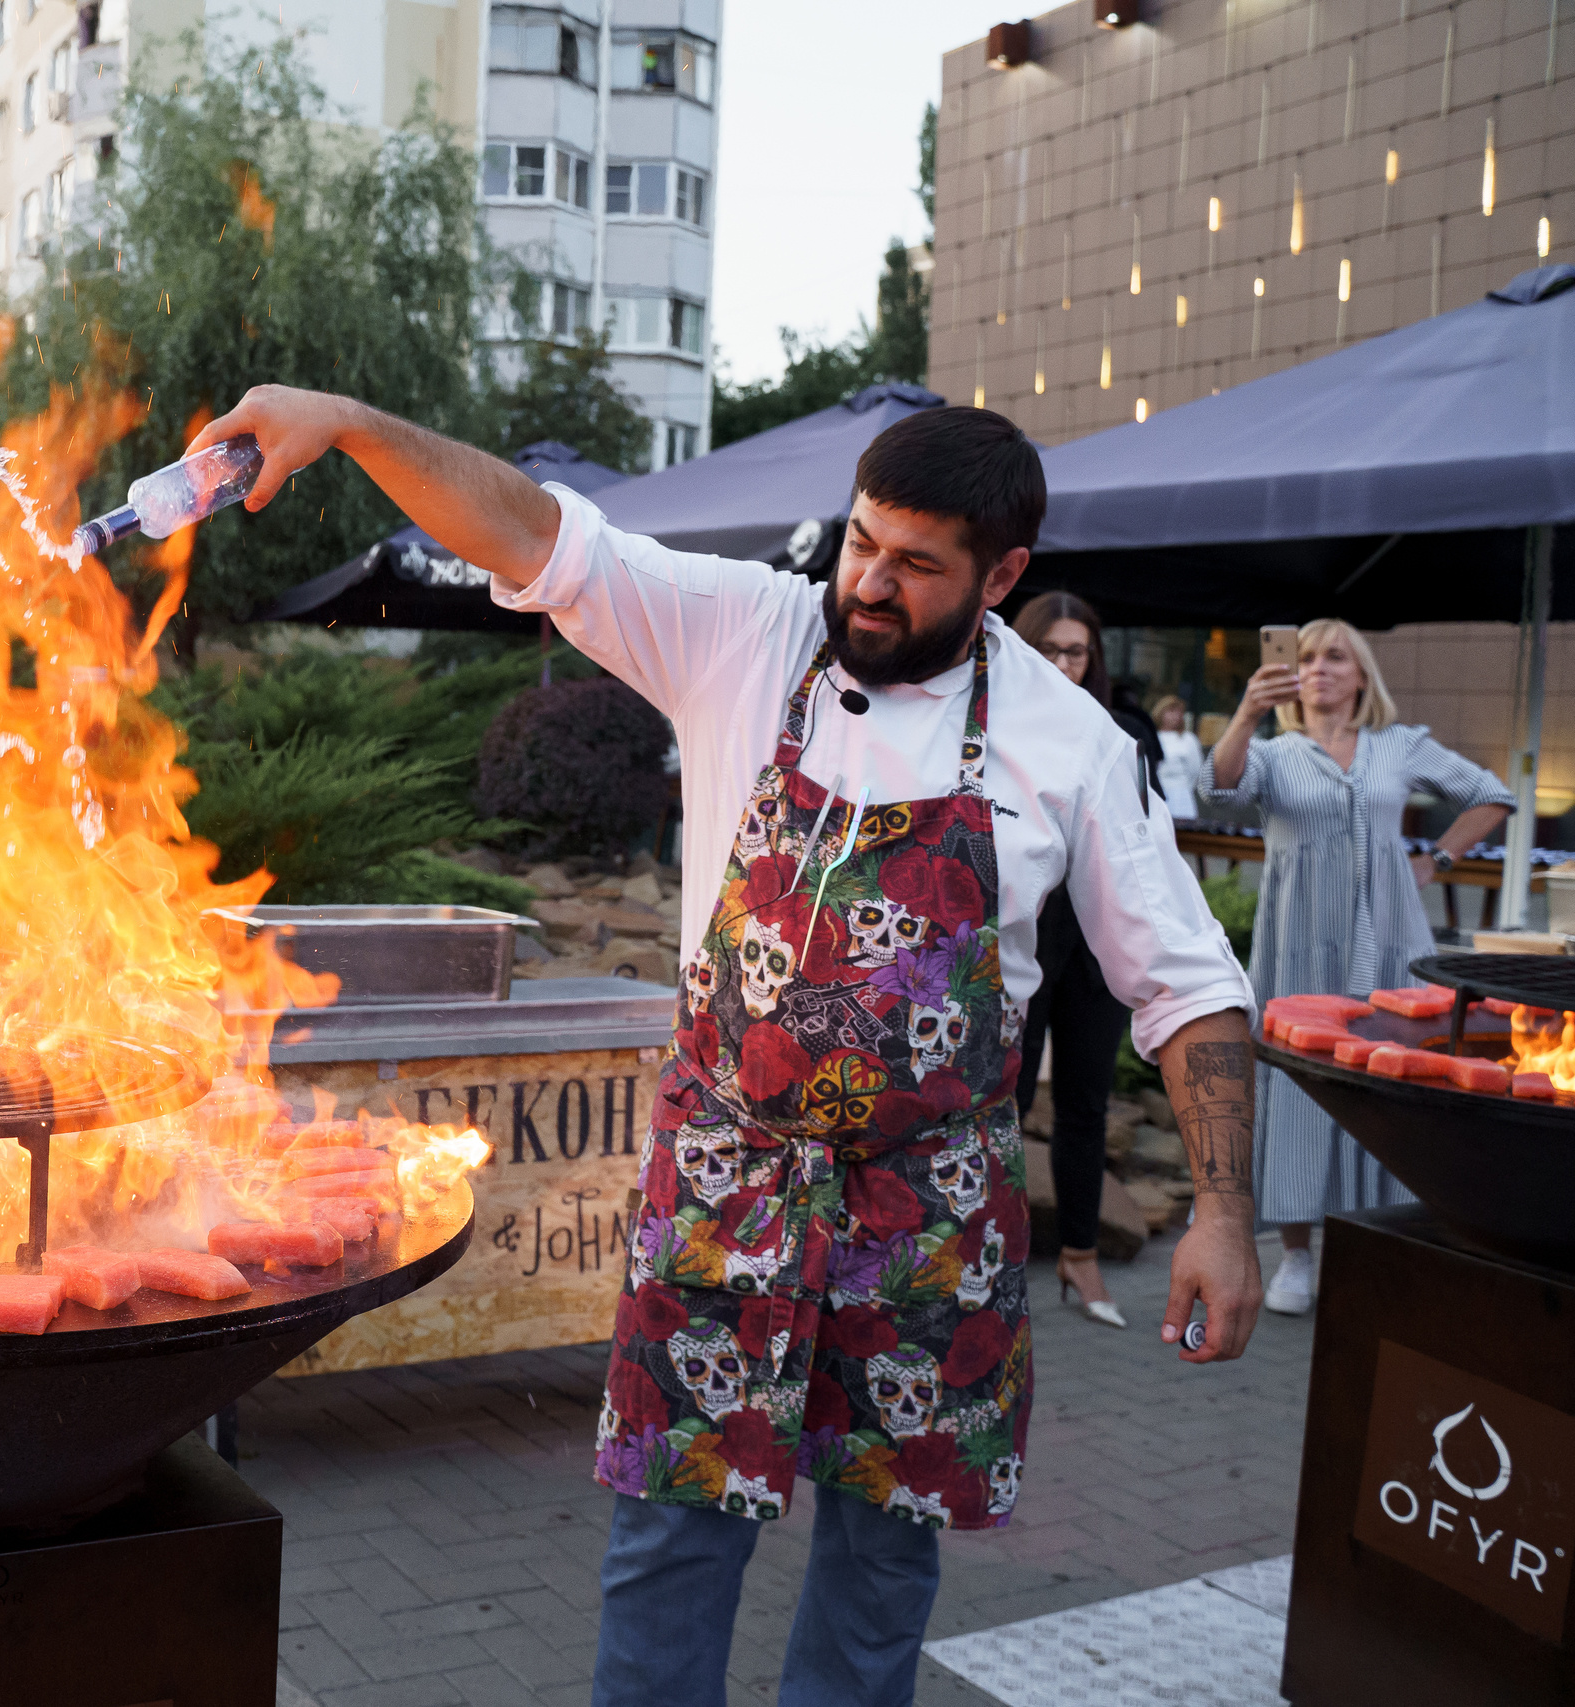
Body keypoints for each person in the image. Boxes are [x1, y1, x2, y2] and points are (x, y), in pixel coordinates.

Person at [189, 390, 1264, 1707]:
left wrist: (1222, 1207)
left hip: (927, 1218)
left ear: (1005, 576)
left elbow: (1188, 983)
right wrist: (352, 425)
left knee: (879, 1568)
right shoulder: (747, 630)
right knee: (669, 1540)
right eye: (863, 542)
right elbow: (535, 535)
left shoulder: (1073, 746)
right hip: (727, 1186)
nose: (870, 584)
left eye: (919, 565)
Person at [1200, 618, 1512, 1315]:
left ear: (1364, 674)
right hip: (1299, 944)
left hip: (1389, 942)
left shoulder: (1400, 746)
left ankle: (1379, 1237)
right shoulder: (1275, 753)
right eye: (1306, 658)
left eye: (1335, 656)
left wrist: (1438, 859)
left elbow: (1493, 794)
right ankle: (1297, 1253)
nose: (1318, 668)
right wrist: (1247, 711)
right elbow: (1218, 788)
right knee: (1300, 1084)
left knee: (1389, 1075)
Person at [1008, 592, 1161, 1331]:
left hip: (1096, 939)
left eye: (1077, 652)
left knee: (1084, 1101)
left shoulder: (1122, 731)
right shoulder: (997, 727)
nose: (1064, 664)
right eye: (1050, 650)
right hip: (1022, 934)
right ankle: (991, 1255)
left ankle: (1080, 1251)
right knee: (1002, 1096)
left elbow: (1144, 842)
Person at [1152, 695, 1203, 822]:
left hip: (1181, 795)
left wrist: (1183, 788)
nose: (1176, 716)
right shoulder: (1152, 736)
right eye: (1171, 711)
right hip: (1156, 794)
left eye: (1179, 712)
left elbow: (1195, 770)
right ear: (1160, 713)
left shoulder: (1188, 739)